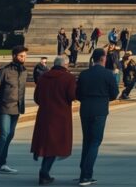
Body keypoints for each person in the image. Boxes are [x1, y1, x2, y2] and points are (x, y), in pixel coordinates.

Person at [31, 56, 77, 184]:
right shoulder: (69, 78)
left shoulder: (43, 77)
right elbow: (72, 95)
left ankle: (40, 158)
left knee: (46, 141)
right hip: (61, 115)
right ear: (66, 65)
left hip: (44, 114)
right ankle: (44, 172)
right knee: (55, 144)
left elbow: (37, 98)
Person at [76, 49, 118, 186]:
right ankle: (86, 175)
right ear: (103, 58)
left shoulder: (84, 74)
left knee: (87, 141)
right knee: (95, 142)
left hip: (85, 109)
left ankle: (83, 172)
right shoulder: (108, 74)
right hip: (100, 109)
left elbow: (78, 94)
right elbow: (114, 94)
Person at [0, 45, 28, 178]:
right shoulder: (4, 71)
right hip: (4, 107)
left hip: (17, 108)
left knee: (10, 136)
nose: (24, 58)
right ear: (14, 56)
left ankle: (3, 163)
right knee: (4, 135)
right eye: (21, 56)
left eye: (25, 56)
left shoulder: (24, 71)